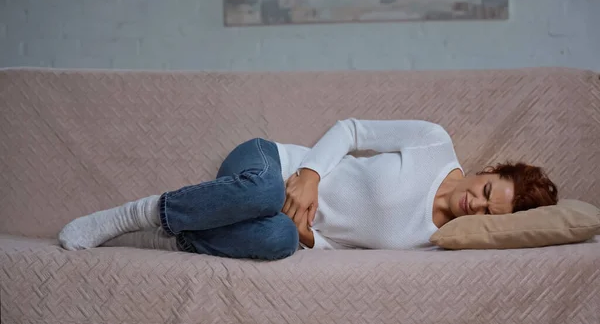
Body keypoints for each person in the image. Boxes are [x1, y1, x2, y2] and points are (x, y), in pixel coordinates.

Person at [58, 119, 558, 260]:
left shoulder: (433, 241)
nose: (480, 204)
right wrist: (310, 176)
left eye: (492, 214)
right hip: (270, 165)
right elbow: (351, 131)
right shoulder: (434, 142)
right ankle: (132, 215)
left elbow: (343, 241)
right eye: (491, 190)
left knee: (277, 242)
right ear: (492, 171)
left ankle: (170, 236)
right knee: (260, 196)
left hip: (284, 222)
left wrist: (307, 235)